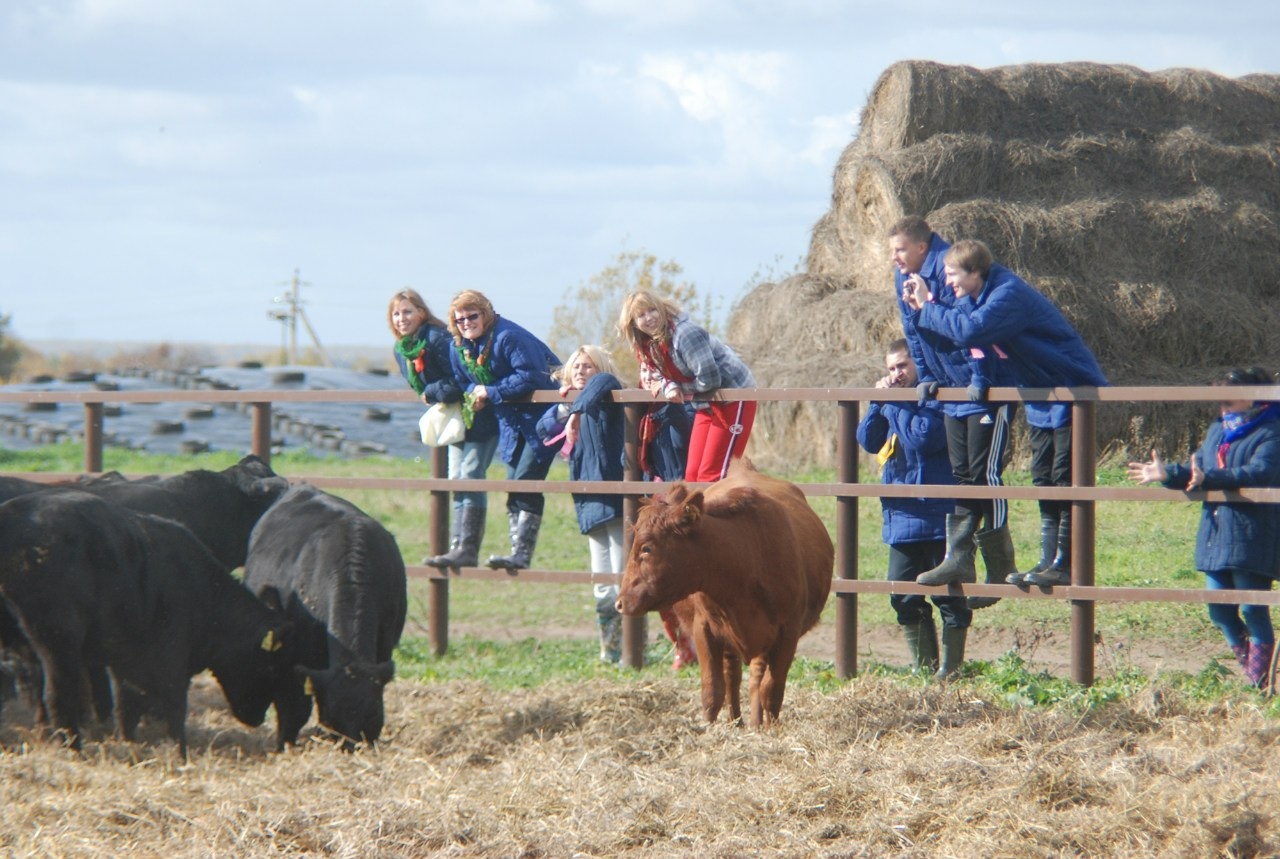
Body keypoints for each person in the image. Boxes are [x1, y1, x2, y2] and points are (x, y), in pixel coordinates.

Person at [903, 239, 1109, 604]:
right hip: (1038, 391)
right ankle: (1048, 560)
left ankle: (1066, 561)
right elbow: (966, 340)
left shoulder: (1007, 294)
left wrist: (929, 306)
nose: (947, 281)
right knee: (1043, 477)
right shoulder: (974, 297)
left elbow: (971, 331)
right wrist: (925, 318)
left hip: (1068, 386)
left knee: (1064, 477)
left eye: (952, 274)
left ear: (975, 272)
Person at [1127, 367, 1280, 689]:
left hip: (1253, 532)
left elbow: (1260, 472)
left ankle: (1259, 683)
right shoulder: (1217, 430)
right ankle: (1255, 673)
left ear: (1253, 396)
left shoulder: (1271, 429)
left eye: (1229, 397)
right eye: (1219, 398)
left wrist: (1209, 478)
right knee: (1219, 611)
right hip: (1216, 531)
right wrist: (1168, 474)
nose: (1222, 405)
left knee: (1252, 608)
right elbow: (1197, 468)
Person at [892, 221, 1017, 610]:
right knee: (962, 474)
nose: (894, 257)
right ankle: (959, 557)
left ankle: (1000, 566)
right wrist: (928, 376)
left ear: (921, 247)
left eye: (900, 249)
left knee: (984, 474)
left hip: (984, 388)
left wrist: (980, 377)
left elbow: (971, 327)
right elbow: (914, 333)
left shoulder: (951, 269)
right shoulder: (904, 279)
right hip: (950, 390)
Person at [857, 339, 970, 678]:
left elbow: (925, 437)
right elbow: (868, 440)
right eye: (891, 368)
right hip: (902, 514)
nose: (896, 374)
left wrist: (893, 402)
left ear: (918, 363)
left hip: (940, 513)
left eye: (902, 366)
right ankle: (925, 671)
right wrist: (877, 403)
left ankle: (950, 673)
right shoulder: (894, 399)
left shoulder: (939, 392)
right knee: (902, 595)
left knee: (949, 598)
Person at [447, 290, 562, 571]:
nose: (466, 323)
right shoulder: (459, 347)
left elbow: (531, 376)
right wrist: (475, 392)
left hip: (542, 418)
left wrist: (491, 391)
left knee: (525, 481)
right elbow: (463, 380)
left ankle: (521, 554)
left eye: (472, 316)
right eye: (460, 319)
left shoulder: (508, 337)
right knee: (513, 484)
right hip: (509, 421)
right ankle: (515, 552)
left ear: (485, 314)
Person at [389, 289, 499, 569]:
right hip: (453, 417)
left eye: (407, 311)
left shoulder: (438, 339)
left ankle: (468, 548)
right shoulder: (402, 349)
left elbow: (462, 378)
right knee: (456, 476)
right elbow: (421, 388)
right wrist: (431, 393)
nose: (402, 318)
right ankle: (458, 546)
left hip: (478, 411)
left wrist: (432, 392)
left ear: (421, 312)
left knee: (471, 473)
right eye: (396, 313)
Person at [537, 345, 626, 662]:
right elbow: (543, 429)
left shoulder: (607, 397)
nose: (580, 371)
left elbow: (605, 381)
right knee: (601, 583)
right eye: (575, 366)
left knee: (622, 579)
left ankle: (632, 649)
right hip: (588, 501)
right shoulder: (569, 405)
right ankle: (610, 650)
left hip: (616, 500)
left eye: (588, 366)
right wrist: (567, 409)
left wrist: (577, 411)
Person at [617, 290, 756, 482]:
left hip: (732, 396)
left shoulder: (685, 334)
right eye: (641, 315)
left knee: (712, 474)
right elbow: (660, 374)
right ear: (633, 324)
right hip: (705, 402)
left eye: (652, 310)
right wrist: (669, 386)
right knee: (692, 476)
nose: (649, 317)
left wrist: (680, 389)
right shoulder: (650, 346)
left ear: (661, 308)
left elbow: (710, 379)